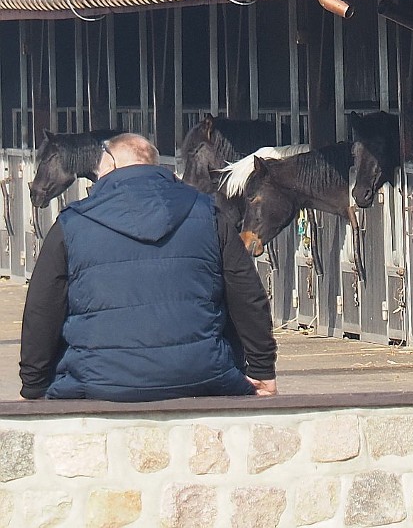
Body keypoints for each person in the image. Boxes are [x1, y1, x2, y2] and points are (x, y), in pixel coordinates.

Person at [19, 133, 278, 401]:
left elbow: (43, 307)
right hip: (202, 374)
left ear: (110, 164)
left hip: (97, 379)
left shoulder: (72, 224)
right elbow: (247, 295)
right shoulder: (208, 215)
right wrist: (262, 369)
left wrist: (34, 384)